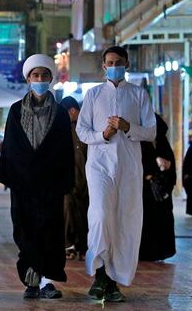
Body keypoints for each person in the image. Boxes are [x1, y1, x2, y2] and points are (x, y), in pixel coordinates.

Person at [76, 45, 157, 303]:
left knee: (124, 221)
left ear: (127, 64)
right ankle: (99, 273)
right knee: (100, 216)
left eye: (118, 61)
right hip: (99, 165)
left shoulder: (139, 95)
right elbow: (82, 131)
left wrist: (127, 127)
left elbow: (151, 131)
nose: (114, 66)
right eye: (109, 62)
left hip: (129, 168)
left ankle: (112, 281)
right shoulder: (93, 94)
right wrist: (104, 135)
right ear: (103, 66)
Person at [0, 54, 74, 300]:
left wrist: (62, 180)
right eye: (35, 75)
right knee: (25, 231)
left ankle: (48, 282)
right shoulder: (16, 110)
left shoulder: (61, 114)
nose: (40, 79)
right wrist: (17, 175)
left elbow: (64, 150)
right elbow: (11, 146)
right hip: (24, 184)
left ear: (51, 78)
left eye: (44, 75)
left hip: (51, 184)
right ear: (28, 78)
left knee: (51, 232)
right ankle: (32, 280)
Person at [138, 114, 176, 262]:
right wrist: (147, 175)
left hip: (161, 193)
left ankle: (161, 252)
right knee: (146, 221)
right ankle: (145, 253)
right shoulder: (141, 144)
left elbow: (171, 170)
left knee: (162, 222)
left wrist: (165, 167)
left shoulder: (163, 144)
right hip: (145, 192)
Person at [60, 96, 88, 261]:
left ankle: (82, 247)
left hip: (86, 181)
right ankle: (69, 245)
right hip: (70, 181)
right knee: (70, 213)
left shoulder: (85, 128)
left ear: (71, 111)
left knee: (84, 215)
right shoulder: (66, 130)